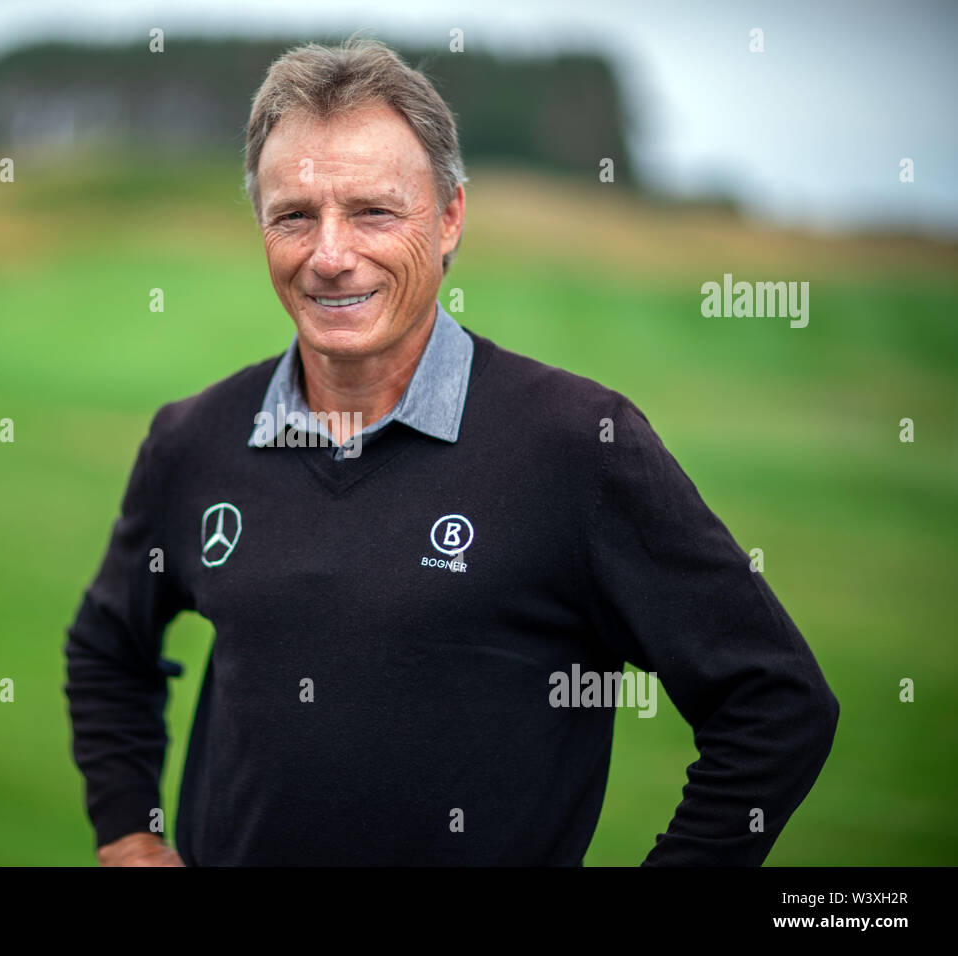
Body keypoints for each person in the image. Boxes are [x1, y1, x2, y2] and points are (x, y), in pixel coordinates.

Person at [63, 36, 838, 866]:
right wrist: (128, 831)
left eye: (374, 211)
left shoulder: (579, 447)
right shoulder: (193, 440)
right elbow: (108, 644)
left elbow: (774, 700)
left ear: (449, 218)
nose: (330, 256)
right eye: (295, 215)